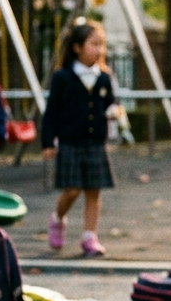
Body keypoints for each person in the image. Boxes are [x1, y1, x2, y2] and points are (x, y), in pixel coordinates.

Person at [42, 19, 119, 258]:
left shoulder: (104, 77)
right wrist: (47, 141)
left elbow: (112, 104)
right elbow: (52, 110)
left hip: (95, 141)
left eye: (101, 44)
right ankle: (58, 218)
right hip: (70, 140)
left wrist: (115, 112)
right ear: (77, 47)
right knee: (72, 189)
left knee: (93, 190)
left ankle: (90, 236)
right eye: (93, 44)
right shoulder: (63, 77)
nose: (99, 49)